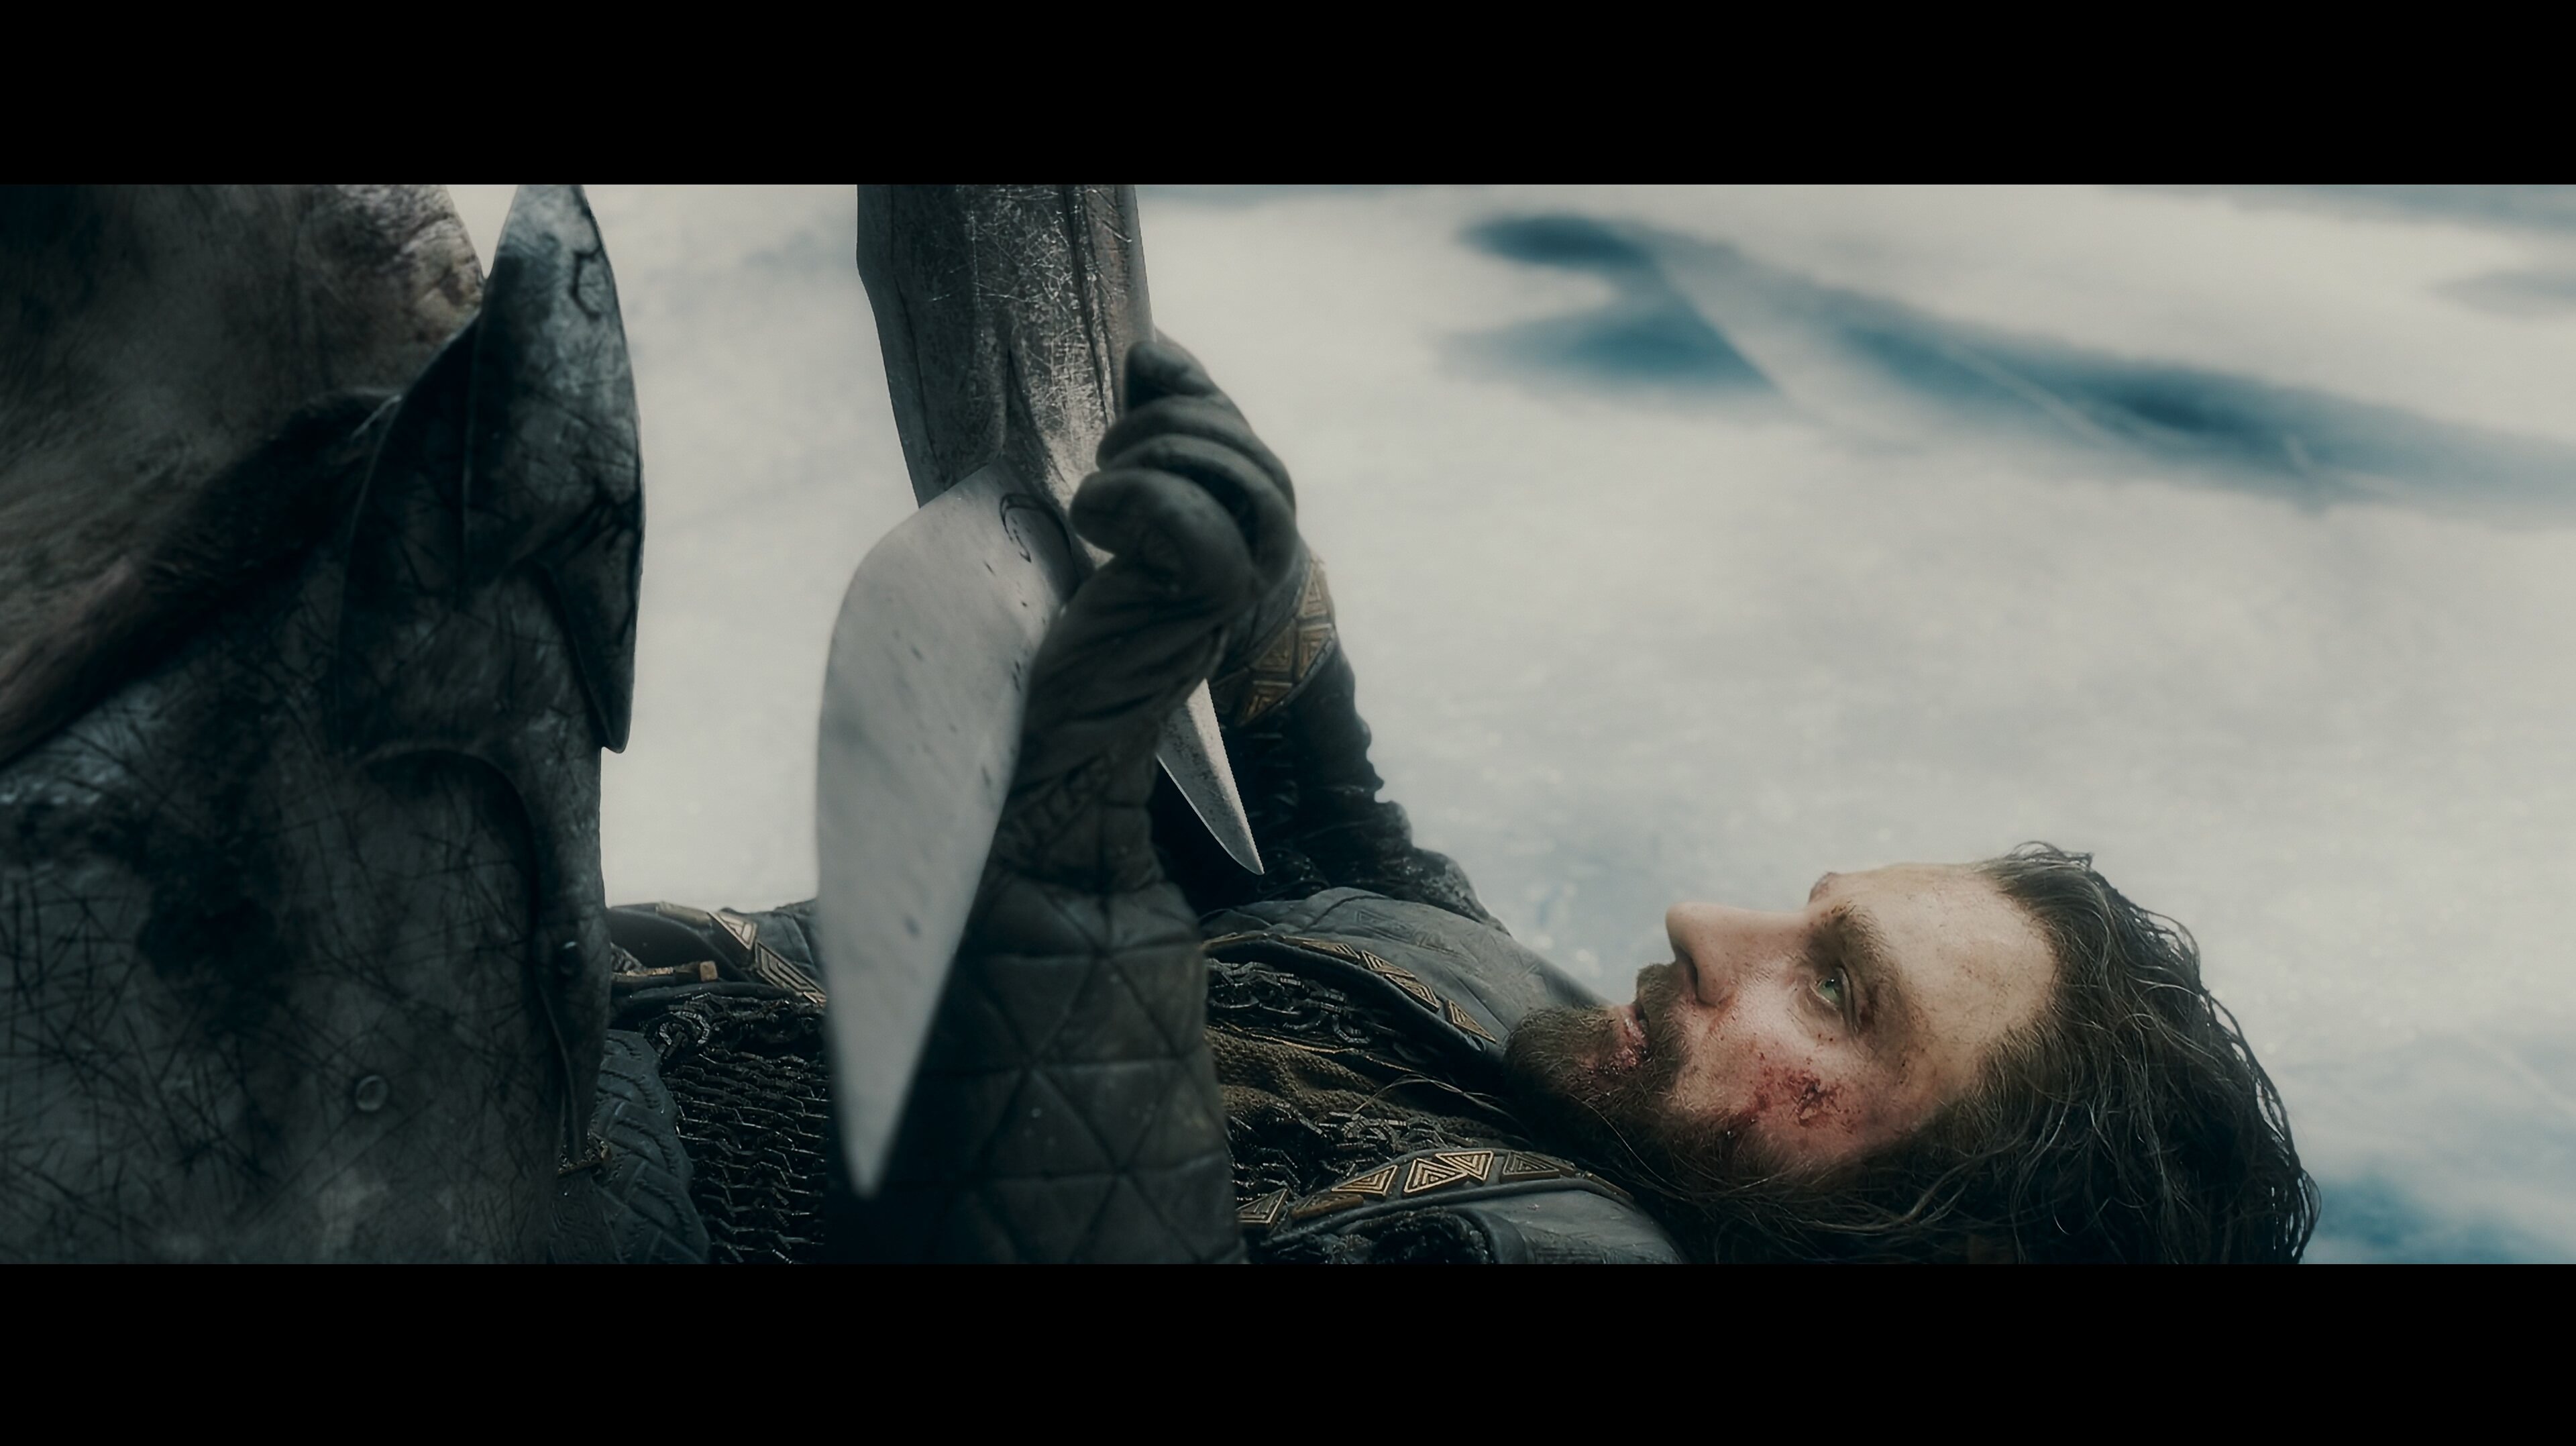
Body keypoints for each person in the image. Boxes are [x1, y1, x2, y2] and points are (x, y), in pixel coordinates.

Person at [613, 339, 2320, 1265]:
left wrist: (1068, 856)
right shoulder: (1593, 1073)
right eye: (1813, 920)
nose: (1703, 924)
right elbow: (1369, 877)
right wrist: (1270, 611)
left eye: (1836, 989)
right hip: (590, 984)